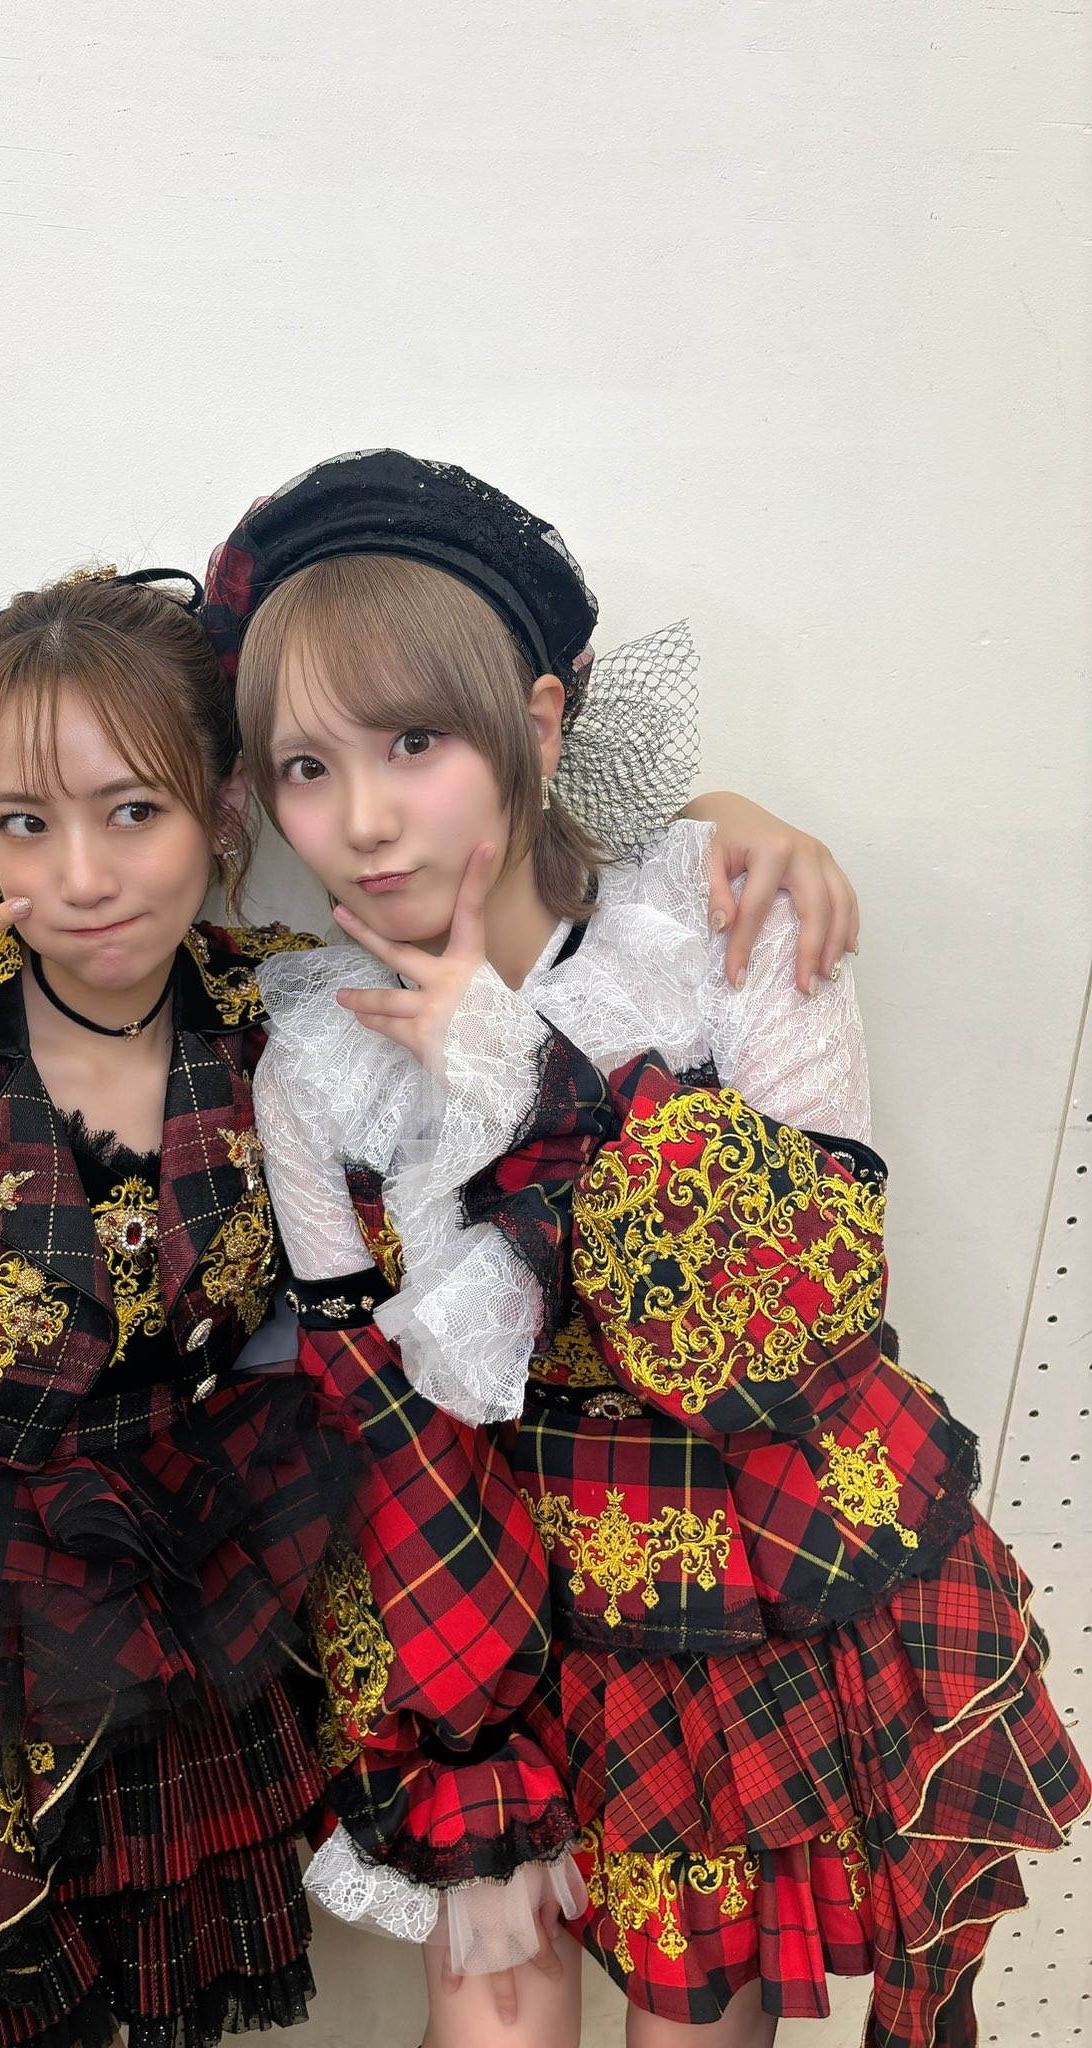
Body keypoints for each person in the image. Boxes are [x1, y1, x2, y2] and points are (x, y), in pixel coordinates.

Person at [0, 557, 859, 2048]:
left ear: (225, 808)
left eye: (134, 813)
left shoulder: (284, 1015)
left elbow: (529, 954)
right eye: (23, 824)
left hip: (153, 1620)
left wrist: (727, 825)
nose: (81, 877)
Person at [210, 449, 1091, 2048]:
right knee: (496, 2022)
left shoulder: (720, 921)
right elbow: (380, 1419)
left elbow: (798, 1318)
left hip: (738, 1569)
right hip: (485, 1594)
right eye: (307, 767)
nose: (366, 819)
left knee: (699, 2028)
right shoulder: (314, 1062)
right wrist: (460, 1738)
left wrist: (529, 1077)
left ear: (539, 724)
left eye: (416, 741)